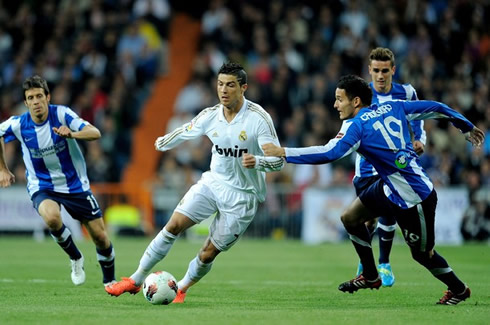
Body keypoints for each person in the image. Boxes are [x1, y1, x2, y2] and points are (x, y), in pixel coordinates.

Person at [262, 75, 484, 305]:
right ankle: (370, 275)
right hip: (389, 186)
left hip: (415, 196)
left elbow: (329, 153)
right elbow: (436, 107)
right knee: (350, 218)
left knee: (422, 255)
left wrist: (283, 152)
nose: (335, 105)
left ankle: (459, 289)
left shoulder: (357, 126)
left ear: (356, 101)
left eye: (339, 99)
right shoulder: (393, 106)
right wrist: (465, 126)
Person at [105, 62, 284, 303]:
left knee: (208, 252)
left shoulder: (258, 119)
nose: (224, 90)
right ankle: (135, 280)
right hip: (213, 183)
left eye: (230, 85)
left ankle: (181, 287)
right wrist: (161, 143)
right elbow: (185, 131)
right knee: (173, 224)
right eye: (220, 84)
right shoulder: (211, 116)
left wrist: (259, 162)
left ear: (243, 88)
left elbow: (278, 161)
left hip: (244, 196)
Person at [0, 75, 116, 287]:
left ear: (48, 97)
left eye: (39, 96)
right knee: (52, 218)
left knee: (100, 237)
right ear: (26, 103)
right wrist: (3, 169)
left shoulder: (62, 114)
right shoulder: (18, 124)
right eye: (30, 98)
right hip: (42, 185)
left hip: (75, 185)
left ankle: (110, 281)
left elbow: (95, 132)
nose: (35, 101)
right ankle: (75, 257)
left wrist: (72, 134)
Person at [354, 47, 426, 286]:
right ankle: (367, 262)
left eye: (385, 70)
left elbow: (419, 116)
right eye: (376, 70)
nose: (381, 75)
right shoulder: (361, 94)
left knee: (390, 210)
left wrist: (419, 139)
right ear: (369, 71)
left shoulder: (406, 92)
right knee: (368, 220)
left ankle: (383, 263)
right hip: (366, 166)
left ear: (393, 70)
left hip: (396, 165)